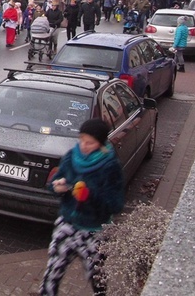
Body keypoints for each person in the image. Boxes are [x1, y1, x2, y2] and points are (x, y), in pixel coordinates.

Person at [40, 118, 124, 296]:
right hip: (67, 225)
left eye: (90, 142)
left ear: (101, 144)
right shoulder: (71, 156)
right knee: (52, 275)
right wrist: (57, 187)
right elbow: (55, 183)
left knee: (98, 280)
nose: (84, 145)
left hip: (94, 232)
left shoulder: (110, 167)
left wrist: (89, 196)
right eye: (82, 140)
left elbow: (116, 204)